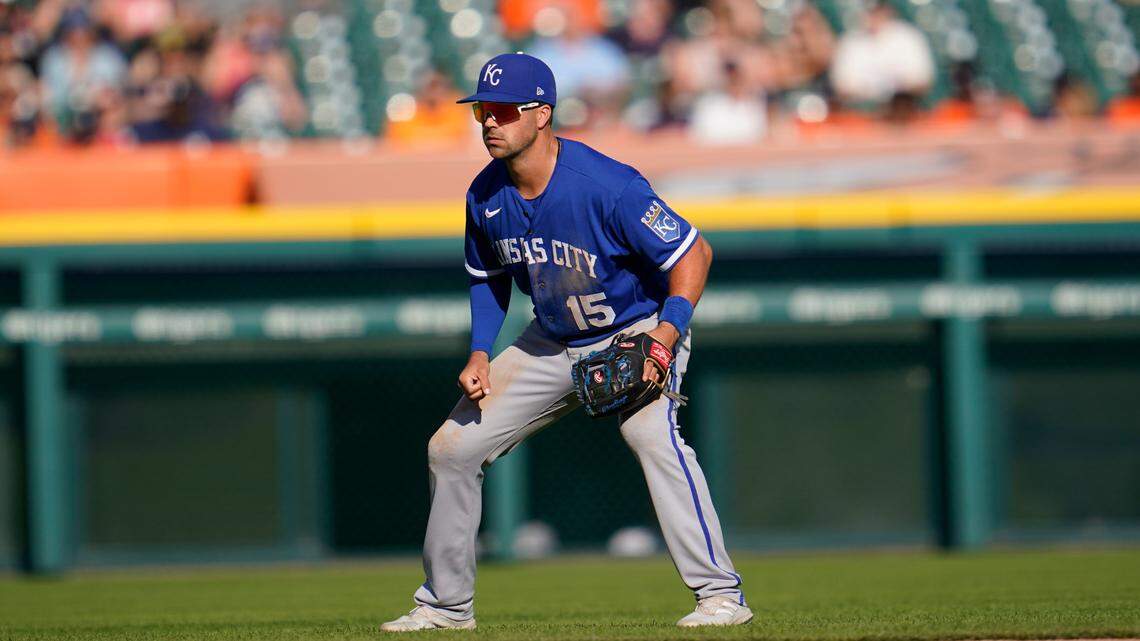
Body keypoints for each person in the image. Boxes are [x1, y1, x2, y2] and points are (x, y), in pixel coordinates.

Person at [380, 53, 750, 632]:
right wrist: (480, 351)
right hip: (551, 340)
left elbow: (694, 254)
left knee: (653, 437)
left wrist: (666, 336)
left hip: (637, 329)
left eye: (502, 110)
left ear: (542, 113)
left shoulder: (608, 185)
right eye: (482, 111)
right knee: (450, 449)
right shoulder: (485, 195)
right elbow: (487, 280)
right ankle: (447, 607)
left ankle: (720, 594)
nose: (489, 123)